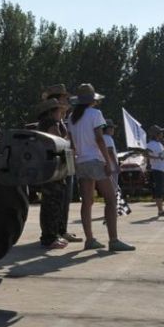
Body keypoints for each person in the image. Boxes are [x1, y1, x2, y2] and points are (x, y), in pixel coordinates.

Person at [66, 83, 134, 252]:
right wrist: (108, 162)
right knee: (111, 199)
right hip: (95, 160)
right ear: (92, 100)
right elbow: (99, 139)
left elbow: (72, 144)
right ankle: (113, 240)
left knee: (87, 202)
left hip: (80, 161)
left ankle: (89, 239)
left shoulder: (72, 118)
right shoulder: (95, 114)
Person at [41, 84, 80, 243]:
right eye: (65, 98)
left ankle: (60, 230)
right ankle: (51, 234)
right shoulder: (51, 120)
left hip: (64, 163)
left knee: (63, 199)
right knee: (53, 200)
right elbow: (58, 141)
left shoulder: (61, 119)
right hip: (54, 165)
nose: (68, 101)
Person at [33, 98, 69, 249]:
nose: (61, 113)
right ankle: (49, 237)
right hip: (51, 167)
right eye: (59, 111)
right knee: (52, 202)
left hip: (48, 166)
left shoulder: (46, 122)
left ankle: (52, 235)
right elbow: (59, 140)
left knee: (51, 201)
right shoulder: (50, 123)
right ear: (52, 111)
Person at [146, 125, 164, 218]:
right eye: (161, 132)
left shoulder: (159, 143)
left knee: (162, 190)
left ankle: (161, 210)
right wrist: (157, 157)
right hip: (157, 169)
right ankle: (160, 210)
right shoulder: (150, 144)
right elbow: (145, 154)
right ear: (156, 134)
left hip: (163, 169)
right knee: (159, 190)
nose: (162, 133)